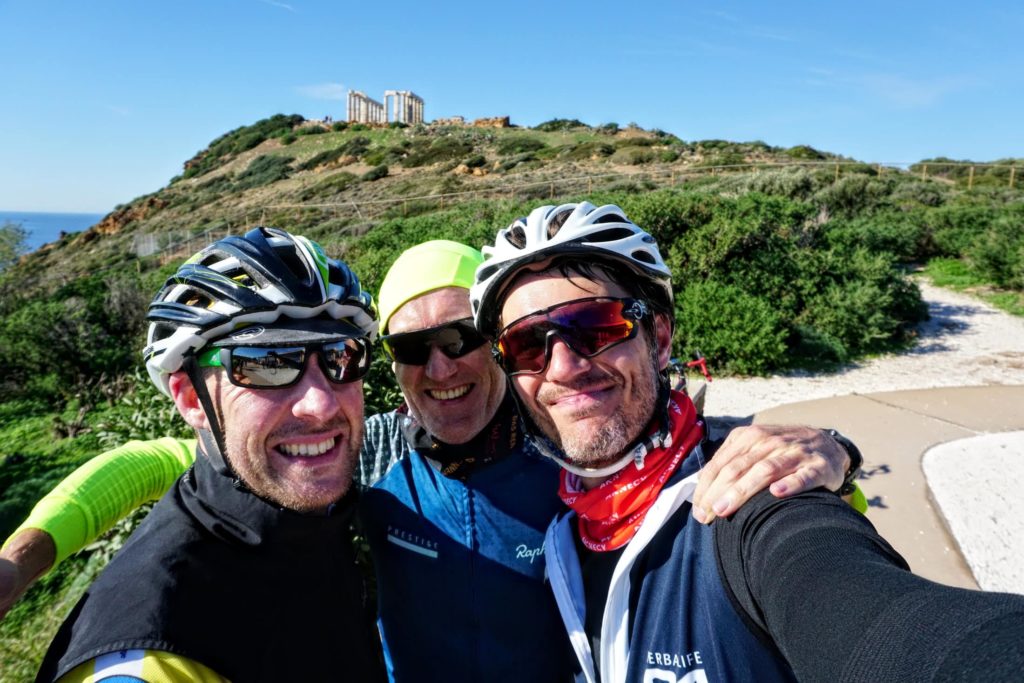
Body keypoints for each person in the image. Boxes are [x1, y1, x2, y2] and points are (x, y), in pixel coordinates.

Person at [5, 239, 857, 682]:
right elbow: (160, 459)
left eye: (462, 339)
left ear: (502, 347)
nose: (442, 368)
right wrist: (18, 562)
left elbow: (685, 443)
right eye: (413, 348)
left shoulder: (568, 445)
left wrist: (831, 449)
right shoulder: (364, 451)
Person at [469, 202, 1024, 683]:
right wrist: (841, 447)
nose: (563, 366)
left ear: (659, 338)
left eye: (595, 325)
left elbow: (891, 626)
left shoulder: (749, 498)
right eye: (526, 345)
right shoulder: (564, 533)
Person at [36, 227, 385, 682]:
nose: (321, 403)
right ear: (192, 400)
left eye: (341, 355)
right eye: (267, 362)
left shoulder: (292, 508)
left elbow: (159, 460)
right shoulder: (152, 654)